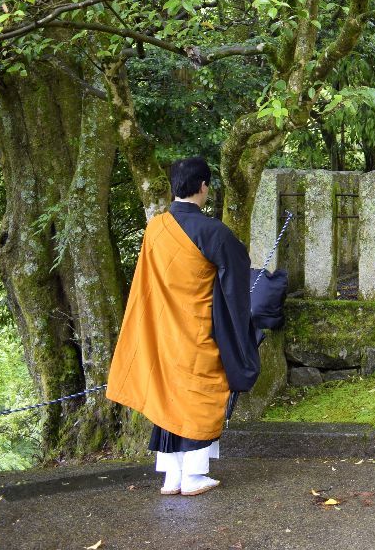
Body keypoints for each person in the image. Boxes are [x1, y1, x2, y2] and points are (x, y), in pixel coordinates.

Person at [107, 156, 260, 497]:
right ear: (203, 186)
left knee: (166, 395)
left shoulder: (155, 228)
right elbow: (236, 277)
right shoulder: (213, 231)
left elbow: (145, 284)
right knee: (198, 395)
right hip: (196, 330)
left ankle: (171, 477)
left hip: (161, 331)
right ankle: (192, 476)